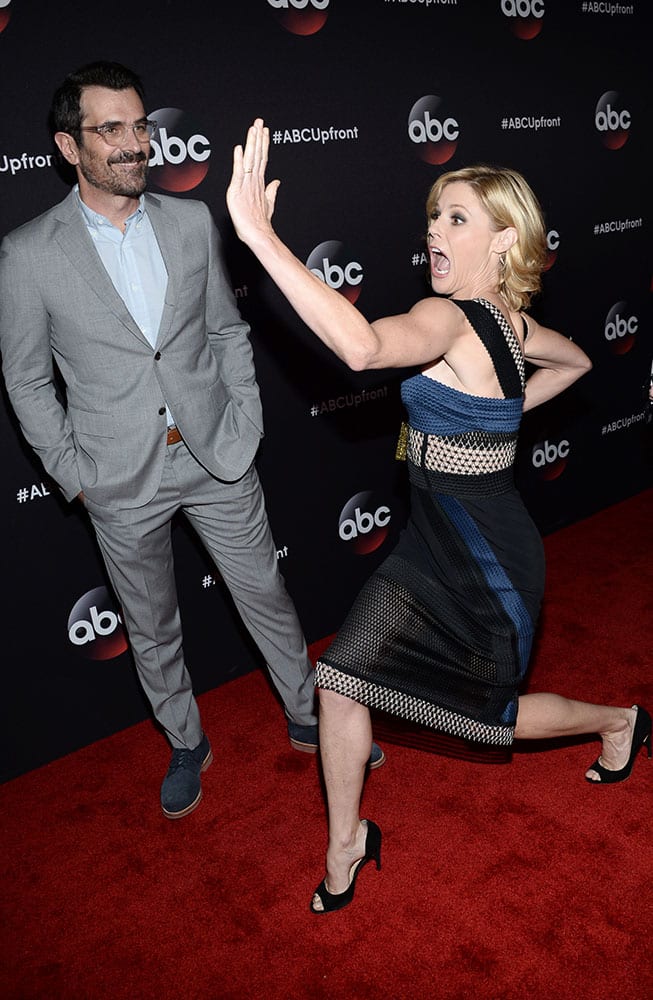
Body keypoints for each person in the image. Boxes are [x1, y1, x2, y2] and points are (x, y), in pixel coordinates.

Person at [226, 119, 652, 911]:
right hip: (430, 540)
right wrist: (497, 421)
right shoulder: (510, 326)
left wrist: (259, 237)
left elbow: (356, 349)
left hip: (487, 556)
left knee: (491, 718)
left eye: (457, 217)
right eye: (433, 215)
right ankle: (346, 841)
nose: (434, 229)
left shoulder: (452, 317)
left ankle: (618, 719)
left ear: (502, 241)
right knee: (339, 682)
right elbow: (579, 360)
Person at [0, 63, 385, 821]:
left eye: (140, 125)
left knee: (266, 595)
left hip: (216, 454)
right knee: (149, 625)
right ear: (68, 146)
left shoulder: (189, 222)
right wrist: (76, 476)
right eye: (111, 129)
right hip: (115, 476)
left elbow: (225, 330)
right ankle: (185, 740)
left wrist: (243, 421)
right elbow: (25, 383)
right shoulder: (28, 253)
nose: (136, 143)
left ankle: (308, 715)